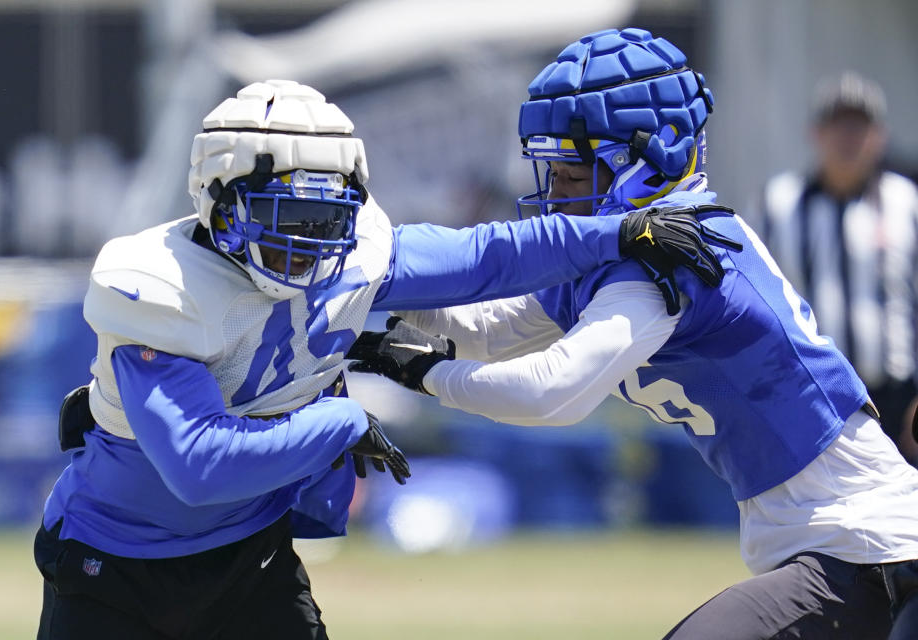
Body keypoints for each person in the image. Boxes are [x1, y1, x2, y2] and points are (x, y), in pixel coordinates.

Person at [32, 79, 732, 640]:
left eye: (327, 220)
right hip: (112, 567)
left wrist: (623, 232)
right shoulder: (162, 288)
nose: (308, 246)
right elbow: (200, 465)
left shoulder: (355, 255)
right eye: (286, 218)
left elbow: (493, 256)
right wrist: (339, 421)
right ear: (218, 199)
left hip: (253, 555)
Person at [347, 29, 918, 639]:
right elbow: (491, 328)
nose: (556, 197)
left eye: (569, 174)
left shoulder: (672, 256)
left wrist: (422, 372)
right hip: (833, 542)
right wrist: (363, 309)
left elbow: (549, 391)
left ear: (650, 160)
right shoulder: (626, 253)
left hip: (866, 542)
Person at [751, 71, 918, 464]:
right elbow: (755, 304)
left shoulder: (907, 203)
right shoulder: (779, 206)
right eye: (837, 126)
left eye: (858, 127)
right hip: (811, 396)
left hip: (898, 397)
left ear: (879, 136)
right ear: (816, 133)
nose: (848, 139)